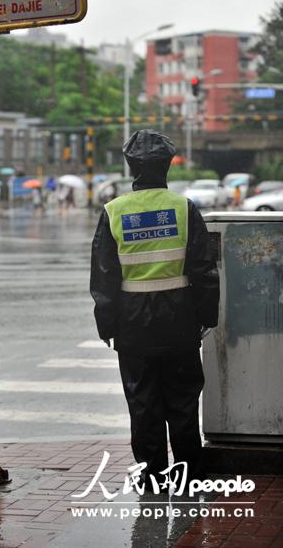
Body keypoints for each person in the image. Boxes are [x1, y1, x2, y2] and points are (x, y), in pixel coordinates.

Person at [90, 129, 220, 487]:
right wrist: (207, 316)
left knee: (143, 401)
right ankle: (190, 474)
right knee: (182, 400)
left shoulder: (114, 212)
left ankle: (151, 478)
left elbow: (103, 277)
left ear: (131, 165)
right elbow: (203, 269)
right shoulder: (183, 208)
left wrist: (107, 325)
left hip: (133, 323)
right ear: (168, 165)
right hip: (179, 319)